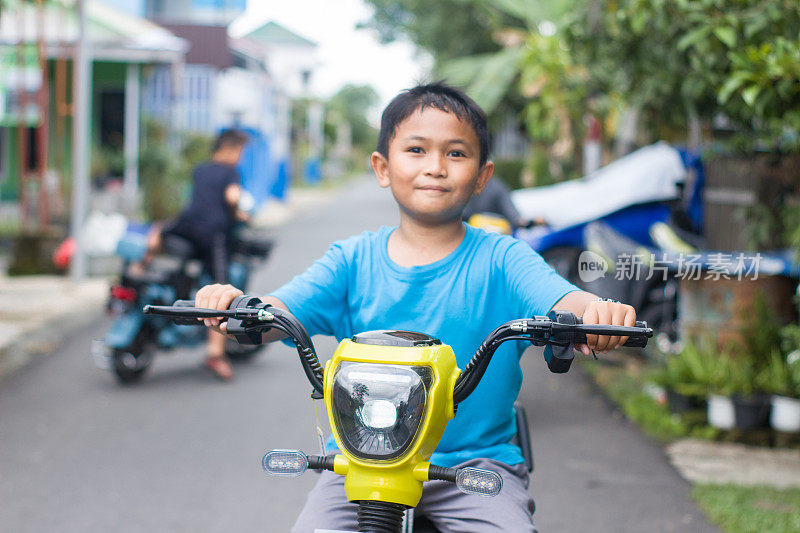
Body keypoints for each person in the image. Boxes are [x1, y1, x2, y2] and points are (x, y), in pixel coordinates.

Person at [194, 83, 637, 531]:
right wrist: (238, 307)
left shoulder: (504, 258)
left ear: (483, 177)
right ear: (383, 167)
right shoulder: (351, 259)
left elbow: (561, 298)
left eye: (457, 153)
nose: (436, 167)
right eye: (417, 150)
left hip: (474, 467)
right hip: (360, 462)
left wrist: (596, 311)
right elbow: (282, 310)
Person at [164, 129, 251, 380]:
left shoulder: (200, 169)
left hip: (185, 226)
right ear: (229, 149)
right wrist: (239, 214)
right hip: (211, 235)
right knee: (221, 291)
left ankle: (140, 268)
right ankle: (215, 353)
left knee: (157, 234)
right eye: (239, 152)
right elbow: (232, 197)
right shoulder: (230, 172)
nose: (240, 158)